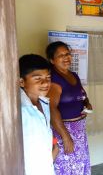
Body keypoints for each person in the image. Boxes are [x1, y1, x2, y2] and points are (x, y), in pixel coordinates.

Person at [46, 41, 93, 175]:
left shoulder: (73, 75)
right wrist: (66, 137)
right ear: (52, 60)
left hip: (79, 130)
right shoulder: (54, 79)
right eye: (61, 55)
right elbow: (51, 108)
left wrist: (87, 103)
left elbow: (82, 95)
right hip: (64, 131)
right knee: (67, 166)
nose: (66, 57)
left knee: (80, 163)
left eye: (67, 54)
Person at [19, 54, 56, 175]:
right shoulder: (19, 110)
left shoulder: (43, 102)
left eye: (48, 77)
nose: (45, 83)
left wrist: (54, 148)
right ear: (21, 82)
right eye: (37, 78)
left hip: (46, 167)